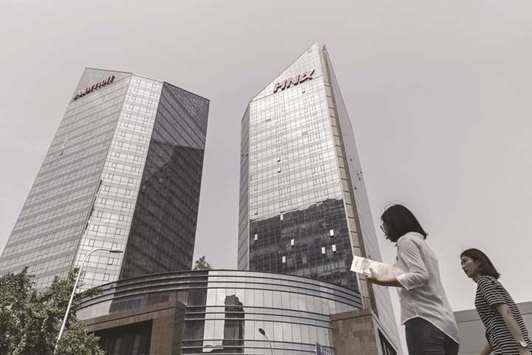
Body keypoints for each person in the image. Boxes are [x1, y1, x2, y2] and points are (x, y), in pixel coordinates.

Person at [367, 204, 459, 355]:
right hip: (447, 328)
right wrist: (377, 272)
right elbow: (407, 273)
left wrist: (382, 280)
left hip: (424, 320)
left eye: (385, 225)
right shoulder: (422, 245)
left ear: (394, 223)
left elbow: (420, 275)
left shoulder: (405, 241)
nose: (384, 231)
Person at [460, 248, 531, 355]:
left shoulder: (484, 282)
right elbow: (495, 330)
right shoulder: (489, 282)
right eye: (461, 264)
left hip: (510, 349)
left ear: (478, 262)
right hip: (507, 347)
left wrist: (523, 348)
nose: (463, 267)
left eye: (465, 261)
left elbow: (506, 312)